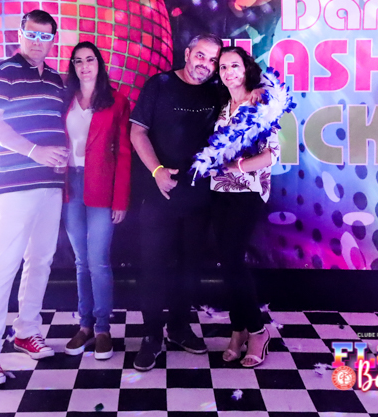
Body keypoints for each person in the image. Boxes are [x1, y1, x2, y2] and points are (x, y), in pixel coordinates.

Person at [0, 9, 69, 386]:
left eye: (45, 36)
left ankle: (27, 330)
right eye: (32, 33)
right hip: (15, 183)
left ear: (53, 40)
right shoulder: (3, 72)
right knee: (4, 264)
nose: (37, 41)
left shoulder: (57, 79)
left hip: (50, 183)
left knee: (41, 259)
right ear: (20, 33)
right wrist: (34, 152)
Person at [129, 34, 223, 371]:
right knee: (153, 266)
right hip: (160, 194)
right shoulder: (160, 84)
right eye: (201, 56)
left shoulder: (217, 91)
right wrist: (157, 171)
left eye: (213, 60)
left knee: (190, 268)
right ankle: (152, 335)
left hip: (199, 197)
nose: (206, 64)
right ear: (187, 53)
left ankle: (180, 328)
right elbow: (137, 132)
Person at [196, 46, 291, 367]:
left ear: (246, 68)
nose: (228, 73)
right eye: (223, 67)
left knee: (233, 260)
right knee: (227, 262)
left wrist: (235, 167)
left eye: (234, 66)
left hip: (248, 192)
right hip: (219, 191)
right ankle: (238, 331)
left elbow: (272, 154)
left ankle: (258, 331)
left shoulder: (260, 102)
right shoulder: (223, 105)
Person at [62, 41, 131, 360]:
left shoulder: (116, 101)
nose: (84, 66)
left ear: (99, 64)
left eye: (90, 60)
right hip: (70, 185)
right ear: (73, 66)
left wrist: (121, 199)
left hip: (103, 186)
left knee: (98, 261)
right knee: (80, 261)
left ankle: (103, 328)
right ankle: (85, 325)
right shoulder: (64, 99)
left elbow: (125, 153)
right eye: (78, 61)